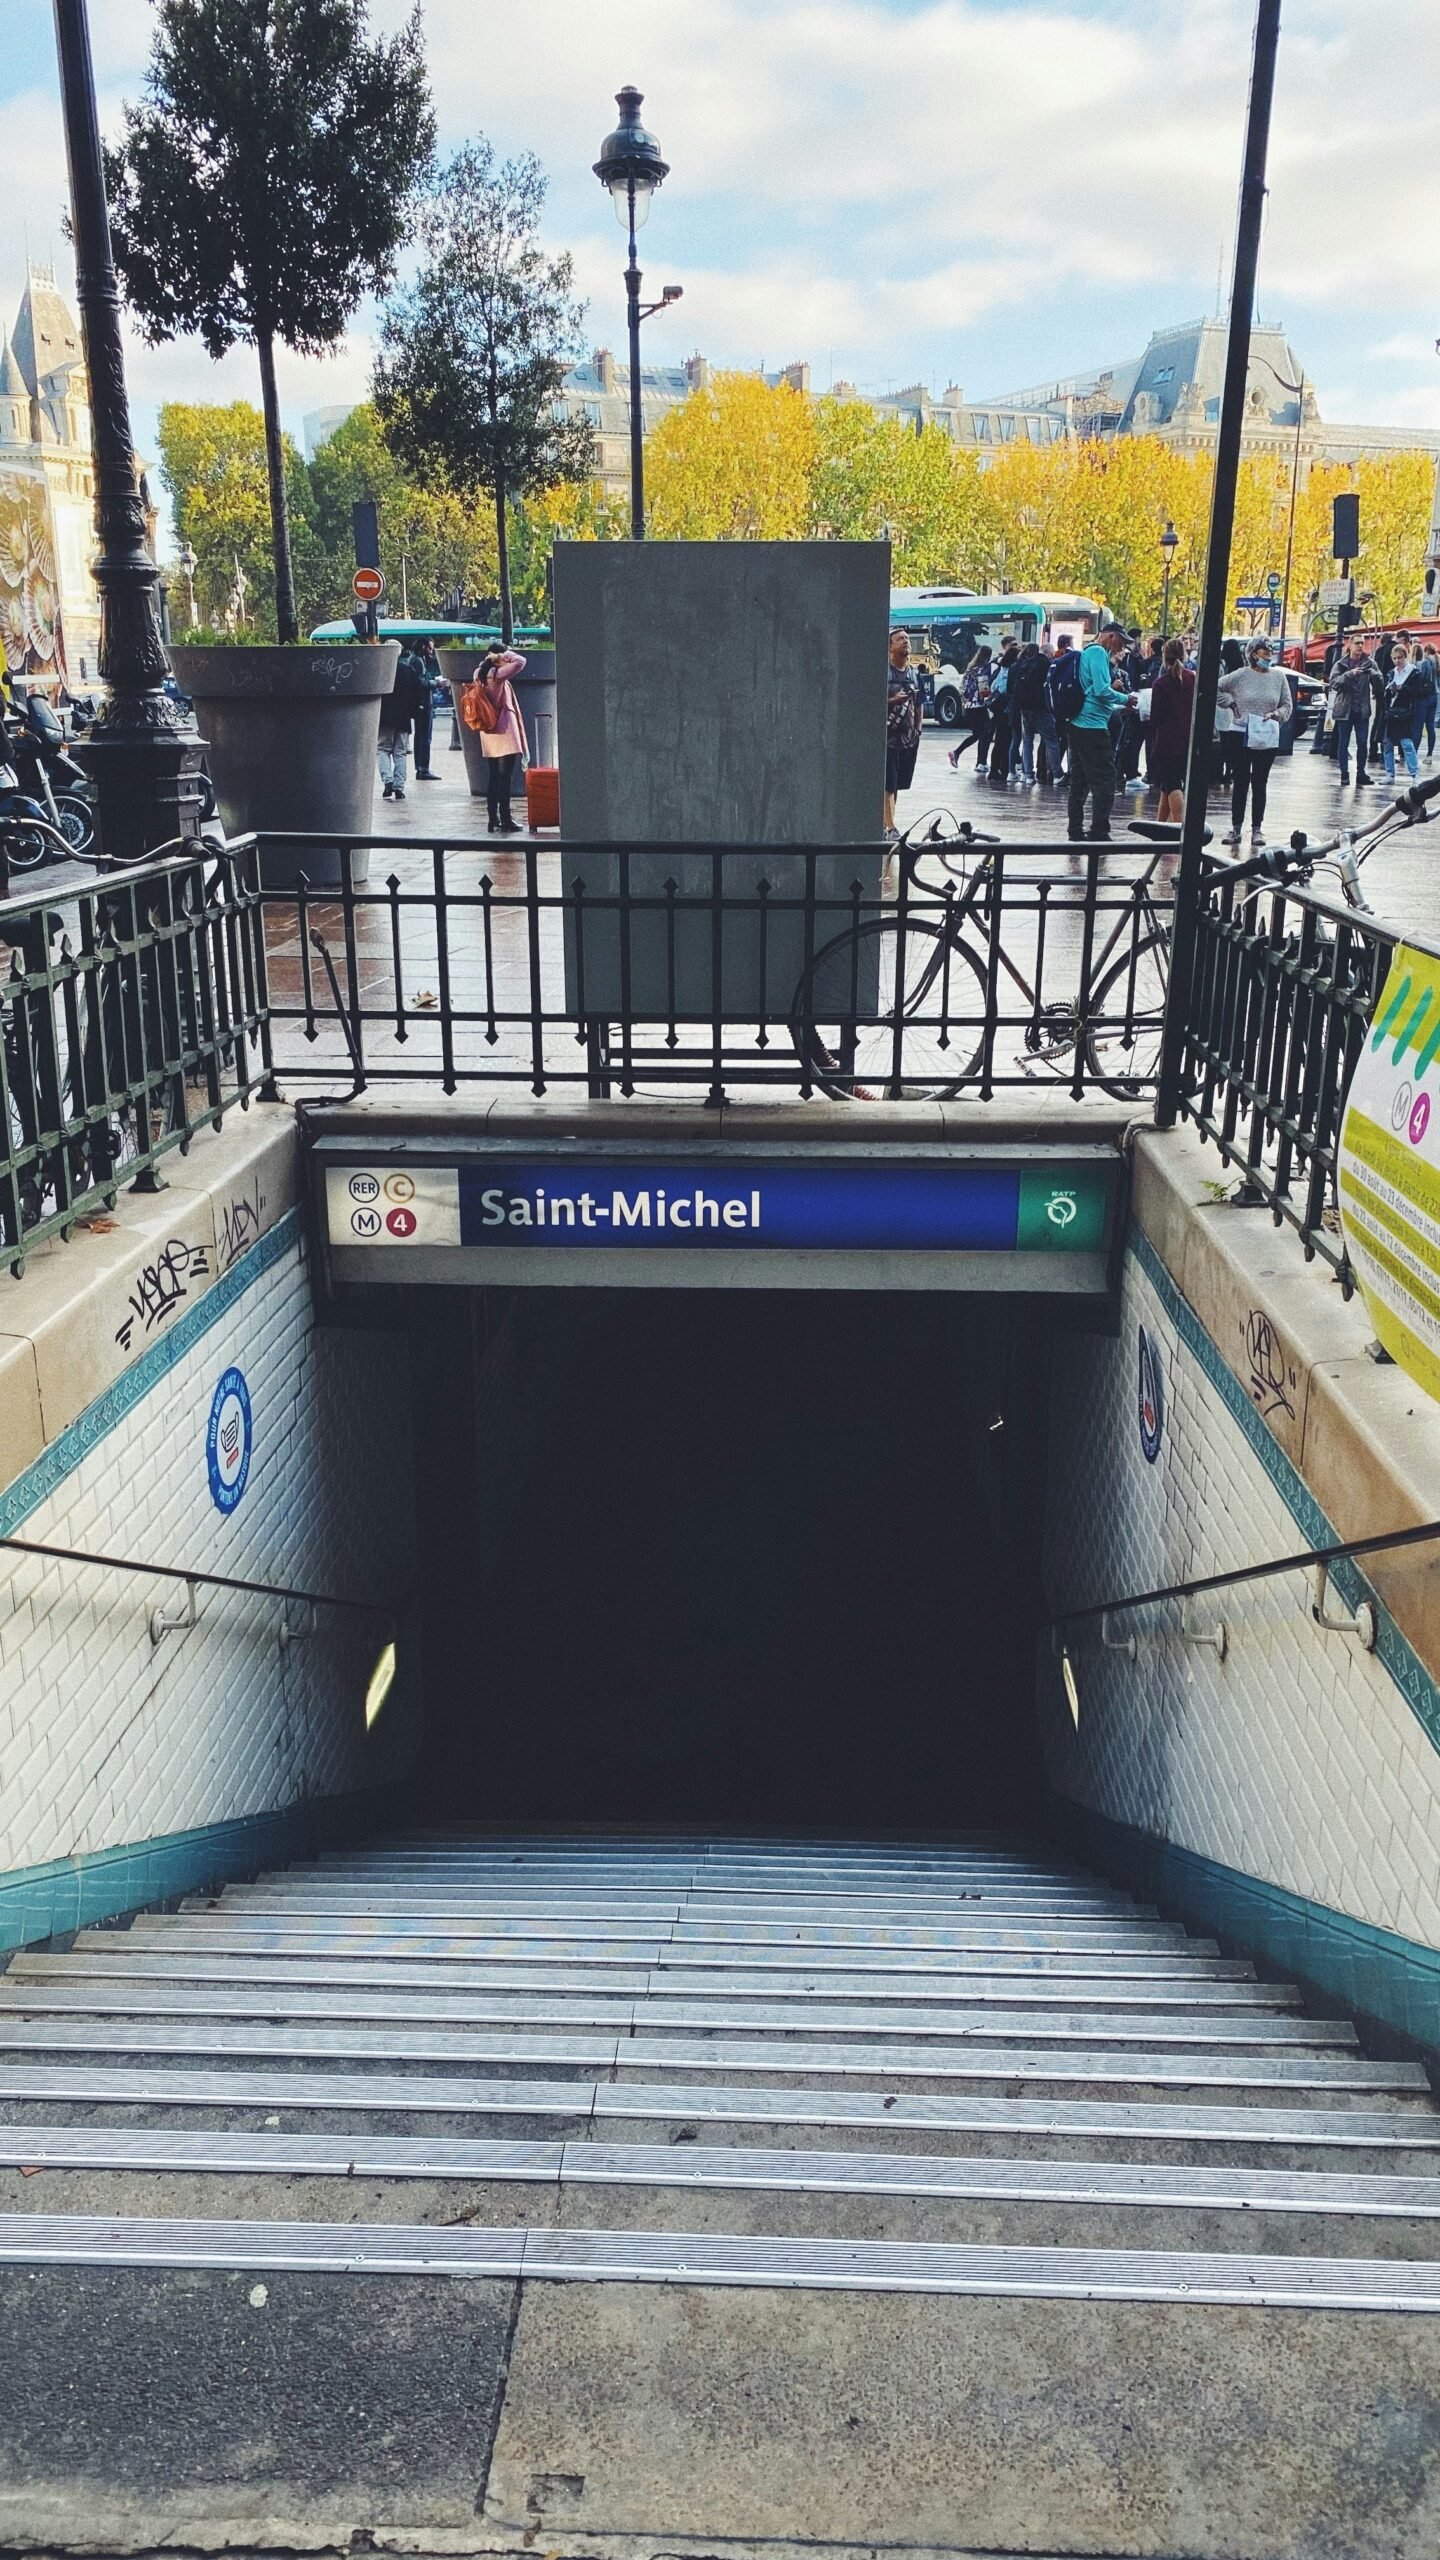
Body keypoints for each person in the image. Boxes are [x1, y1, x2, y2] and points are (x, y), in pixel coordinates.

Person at [1217, 637, 1293, 845]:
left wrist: (1276, 714)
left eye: (1270, 649)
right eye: (1264, 649)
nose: (1269, 652)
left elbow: (1287, 705)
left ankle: (1257, 829)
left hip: (1266, 734)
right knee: (1240, 782)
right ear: (1253, 653)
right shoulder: (1241, 675)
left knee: (1260, 782)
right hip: (1240, 734)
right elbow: (1216, 688)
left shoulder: (1279, 677)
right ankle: (1235, 829)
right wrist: (1231, 704)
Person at [1065, 625, 1129, 843]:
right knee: (1105, 779)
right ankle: (1099, 830)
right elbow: (1102, 690)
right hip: (1092, 726)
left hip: (1078, 723)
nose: (1123, 647)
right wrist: (1125, 698)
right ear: (1111, 636)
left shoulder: (1088, 652)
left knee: (1079, 779)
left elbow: (1094, 688)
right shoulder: (1098, 652)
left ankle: (1075, 829)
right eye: (1121, 641)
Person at [474, 644, 528, 833]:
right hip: (504, 730)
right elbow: (521, 661)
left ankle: (492, 818)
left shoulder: (479, 673)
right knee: (506, 777)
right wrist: (505, 654)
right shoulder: (497, 674)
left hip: (488, 730)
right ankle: (506, 818)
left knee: (494, 776)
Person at [1149, 637, 1196, 826]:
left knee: (1173, 784)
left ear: (1164, 656)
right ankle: (1160, 825)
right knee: (1166, 786)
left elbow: (1156, 717)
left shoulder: (1160, 684)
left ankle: (1178, 826)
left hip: (1166, 742)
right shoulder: (1193, 679)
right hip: (1188, 740)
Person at [884, 629, 923, 835]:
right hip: (887, 738)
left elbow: (919, 704)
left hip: (907, 740)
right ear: (890, 646)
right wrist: (892, 702)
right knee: (888, 783)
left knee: (897, 784)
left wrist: (918, 729)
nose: (906, 642)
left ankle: (887, 823)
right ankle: (890, 827)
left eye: (907, 638)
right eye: (900, 639)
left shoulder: (915, 674)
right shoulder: (884, 673)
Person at [377, 642, 426, 801]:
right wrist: (412, 712)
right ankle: (399, 787)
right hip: (403, 718)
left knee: (383, 749)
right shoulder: (408, 670)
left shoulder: (380, 670)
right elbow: (417, 693)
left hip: (384, 718)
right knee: (400, 753)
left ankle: (387, 781)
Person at [1328, 638, 1374, 788]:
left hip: (1362, 710)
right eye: (1357, 643)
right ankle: (1344, 774)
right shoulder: (1341, 664)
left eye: (1362, 643)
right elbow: (1333, 683)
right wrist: (1349, 674)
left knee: (1362, 742)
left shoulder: (1369, 662)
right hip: (1345, 709)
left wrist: (1374, 675)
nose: (1360, 646)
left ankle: (1360, 773)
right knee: (1343, 743)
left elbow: (1380, 680)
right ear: (1350, 646)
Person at [1381, 640, 1426, 787]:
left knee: (1406, 743)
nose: (1397, 661)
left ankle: (1414, 774)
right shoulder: (1390, 673)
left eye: (1399, 658)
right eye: (1394, 658)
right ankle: (1389, 773)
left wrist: (1402, 689)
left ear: (1405, 656)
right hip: (1391, 711)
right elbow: (1385, 692)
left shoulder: (1414, 672)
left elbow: (1417, 692)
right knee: (1387, 743)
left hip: (1405, 712)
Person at [946, 645, 992, 771]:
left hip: (968, 706)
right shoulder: (982, 670)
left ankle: (957, 753)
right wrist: (990, 700)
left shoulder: (969, 669)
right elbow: (984, 689)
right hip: (979, 706)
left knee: (977, 734)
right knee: (985, 733)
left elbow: (961, 688)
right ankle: (981, 762)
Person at [1009, 640, 1049, 782]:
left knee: (1021, 740)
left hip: (1019, 707)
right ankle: (1050, 773)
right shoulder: (1040, 664)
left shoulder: (1016, 666)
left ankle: (1020, 772)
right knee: (1049, 739)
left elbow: (1009, 689)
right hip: (1036, 706)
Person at [986, 639, 1020, 779]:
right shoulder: (1010, 670)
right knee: (1006, 740)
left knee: (1000, 739)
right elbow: (1003, 687)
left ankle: (994, 769)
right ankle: (1003, 769)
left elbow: (993, 686)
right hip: (1006, 708)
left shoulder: (1002, 668)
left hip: (999, 708)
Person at [412, 639, 441, 779]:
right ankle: (423, 769)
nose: (431, 652)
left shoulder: (416, 659)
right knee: (424, 737)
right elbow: (421, 681)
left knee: (420, 736)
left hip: (419, 703)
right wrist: (437, 683)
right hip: (423, 704)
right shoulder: (418, 661)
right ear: (423, 647)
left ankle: (421, 768)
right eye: (430, 648)